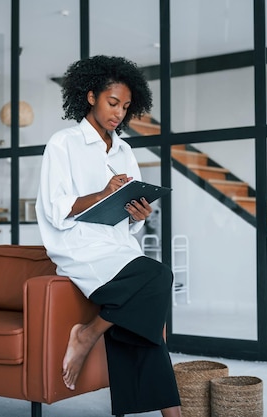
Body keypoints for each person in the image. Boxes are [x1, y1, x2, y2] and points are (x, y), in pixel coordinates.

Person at [35, 55, 182, 417]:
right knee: (159, 275)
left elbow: (129, 219)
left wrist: (139, 214)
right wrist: (102, 194)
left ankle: (91, 334)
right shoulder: (63, 144)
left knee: (147, 320)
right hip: (80, 247)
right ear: (90, 97)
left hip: (117, 249)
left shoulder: (125, 150)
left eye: (126, 107)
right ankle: (86, 335)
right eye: (112, 103)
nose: (119, 113)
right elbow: (55, 208)